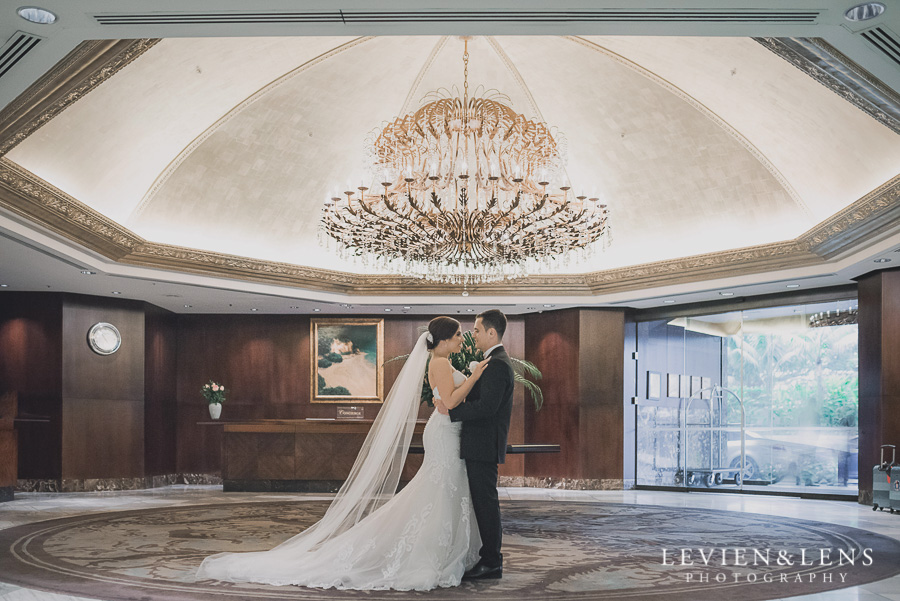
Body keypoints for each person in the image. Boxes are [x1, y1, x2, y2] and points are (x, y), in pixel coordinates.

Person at [195, 316, 491, 591]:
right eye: (456, 336)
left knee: (441, 491)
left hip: (449, 432)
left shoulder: (442, 361)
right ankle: (430, 553)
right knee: (437, 490)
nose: (461, 340)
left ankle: (445, 549)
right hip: (444, 434)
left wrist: (463, 385)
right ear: (442, 340)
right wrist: (475, 376)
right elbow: (450, 402)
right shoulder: (439, 362)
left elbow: (445, 401)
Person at [435, 309, 514, 580]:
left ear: (492, 333)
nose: (473, 335)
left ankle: (492, 560)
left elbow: (487, 408)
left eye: (478, 330)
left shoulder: (498, 363)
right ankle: (489, 558)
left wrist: (452, 412)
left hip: (484, 443)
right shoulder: (491, 361)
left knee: (486, 502)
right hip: (480, 442)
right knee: (482, 502)